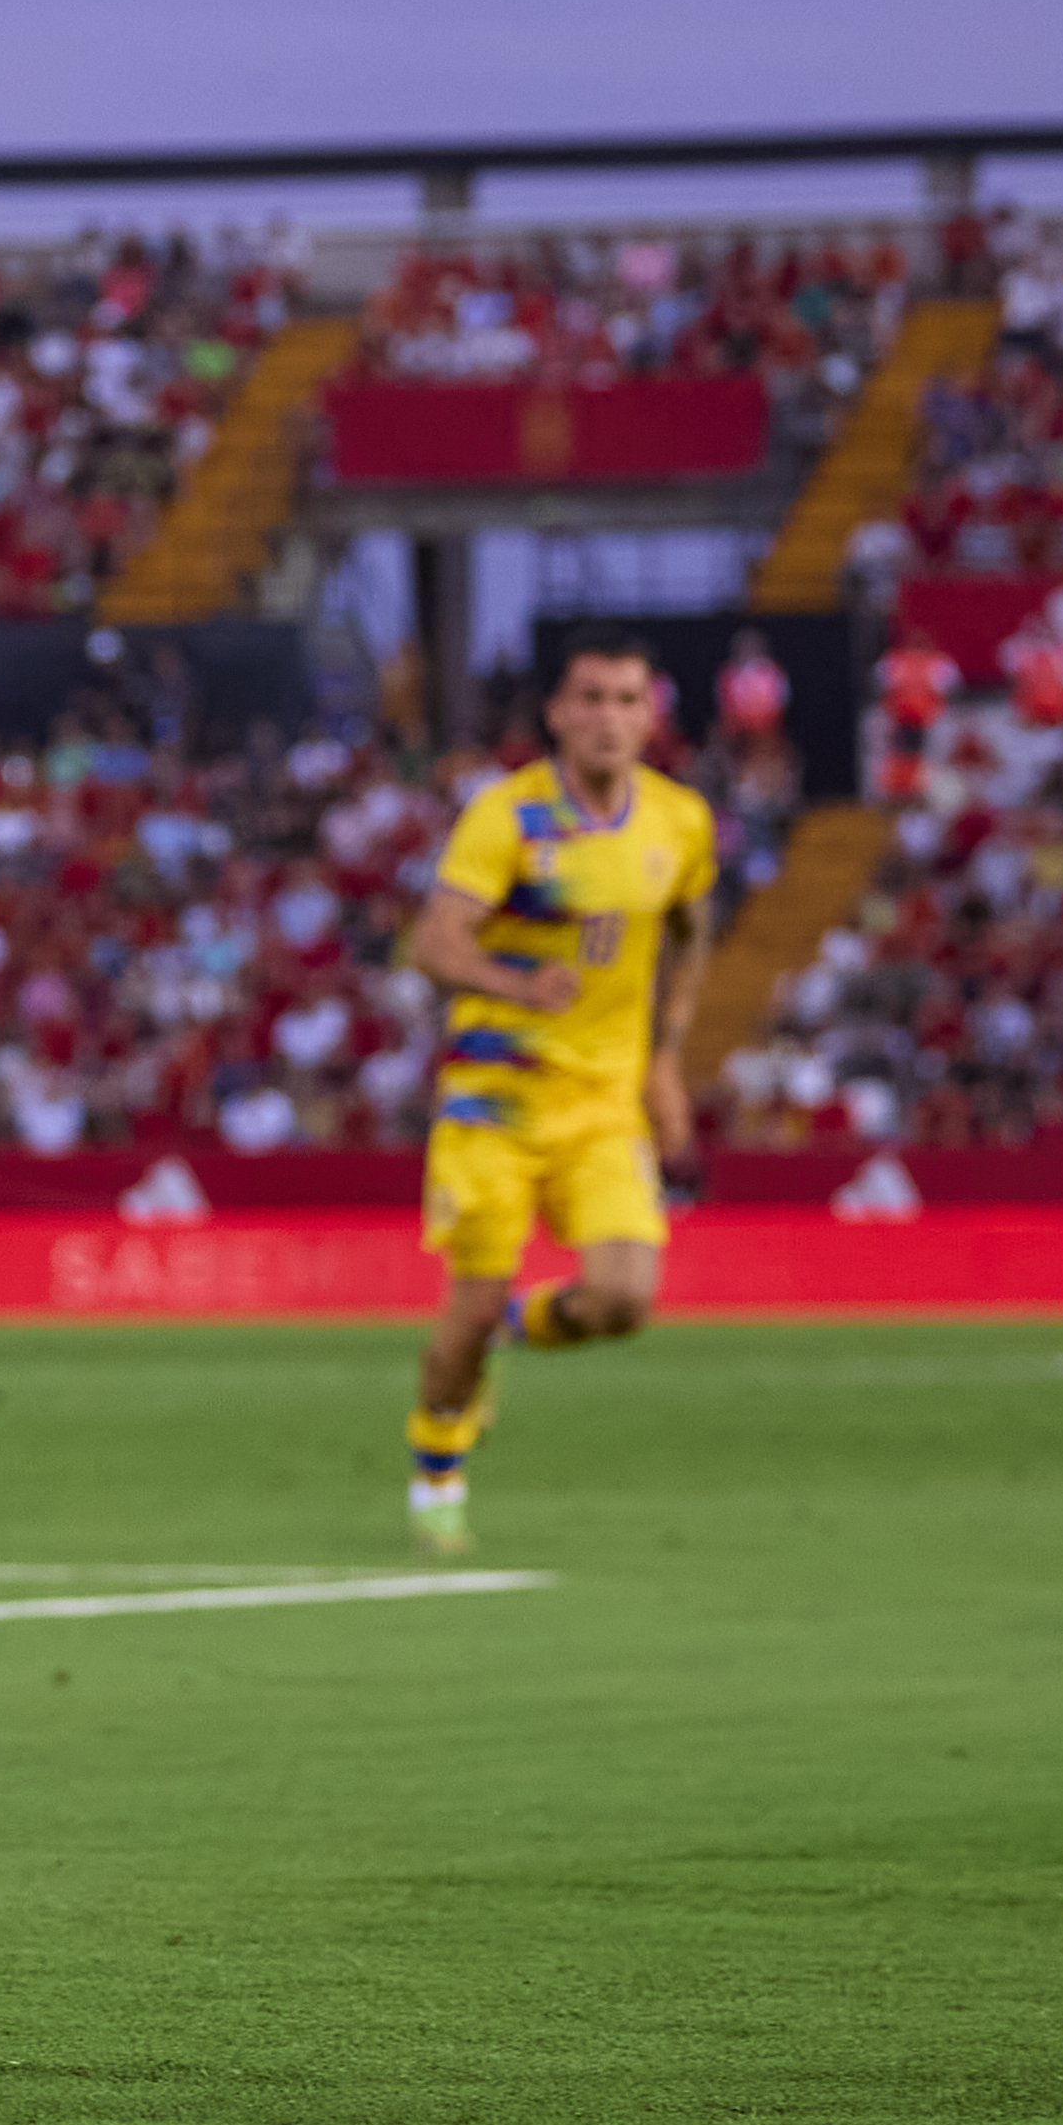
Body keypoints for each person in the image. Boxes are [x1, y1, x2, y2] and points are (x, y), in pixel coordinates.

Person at [394, 626, 716, 1555]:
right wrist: (516, 983)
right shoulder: (509, 816)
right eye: (592, 700)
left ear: (652, 714)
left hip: (604, 1100)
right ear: (558, 714)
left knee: (623, 1299)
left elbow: (691, 932)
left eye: (628, 700)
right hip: (495, 1099)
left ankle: (512, 1330)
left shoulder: (679, 821)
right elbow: (436, 942)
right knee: (462, 1311)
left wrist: (665, 1059)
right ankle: (437, 1460)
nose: (610, 719)